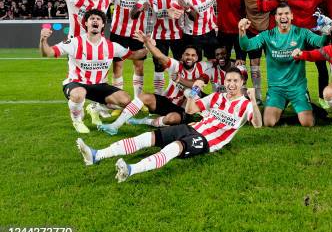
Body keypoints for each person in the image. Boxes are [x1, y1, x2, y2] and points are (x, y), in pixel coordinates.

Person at [76, 68, 262, 183]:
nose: (231, 84)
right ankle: (96, 155)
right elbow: (190, 111)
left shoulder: (245, 105)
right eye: (228, 80)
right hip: (193, 127)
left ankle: (131, 170)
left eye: (235, 81)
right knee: (150, 137)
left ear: (242, 83)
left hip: (208, 141)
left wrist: (253, 100)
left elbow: (258, 125)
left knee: (175, 147)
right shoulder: (216, 97)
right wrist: (191, 95)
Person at [39, 9, 147, 133]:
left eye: (98, 19)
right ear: (86, 24)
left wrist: (148, 45)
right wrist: (43, 40)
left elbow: (134, 55)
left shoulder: (111, 46)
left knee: (126, 100)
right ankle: (77, 119)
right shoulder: (75, 42)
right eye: (92, 19)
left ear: (102, 25)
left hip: (100, 85)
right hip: (77, 83)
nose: (95, 20)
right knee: (78, 94)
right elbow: (48, 53)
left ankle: (95, 108)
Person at [239, 3, 328, 127]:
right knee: (269, 123)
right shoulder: (267, 35)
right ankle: (283, 106)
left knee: (307, 123)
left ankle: (310, 108)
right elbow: (247, 46)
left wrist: (325, 32)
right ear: (275, 17)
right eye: (280, 14)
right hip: (276, 89)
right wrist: (242, 31)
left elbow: (319, 42)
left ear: (291, 16)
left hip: (297, 88)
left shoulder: (301, 32)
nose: (283, 16)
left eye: (286, 13)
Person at [99, 32, 207, 133]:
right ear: (182, 56)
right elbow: (160, 56)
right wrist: (146, 42)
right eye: (187, 54)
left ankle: (144, 121)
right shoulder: (176, 65)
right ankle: (115, 126)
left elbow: (198, 84)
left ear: (197, 58)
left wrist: (180, 81)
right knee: (144, 96)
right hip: (167, 102)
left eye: (193, 55)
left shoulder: (203, 68)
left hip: (184, 109)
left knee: (172, 118)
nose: (189, 57)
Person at [130, 0, 184, 95]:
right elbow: (133, 14)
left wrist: (169, 11)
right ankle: (159, 96)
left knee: (179, 66)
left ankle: (175, 94)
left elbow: (179, 12)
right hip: (159, 36)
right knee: (159, 66)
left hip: (178, 35)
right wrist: (139, 9)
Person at [105, 0, 150, 96]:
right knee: (118, 66)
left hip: (138, 33)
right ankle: (119, 100)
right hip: (118, 32)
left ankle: (138, 100)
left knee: (139, 66)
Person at [240, 0, 276, 102]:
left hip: (267, 32)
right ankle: (255, 95)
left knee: (273, 63)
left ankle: (271, 93)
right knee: (253, 63)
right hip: (251, 30)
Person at [214, 0, 247, 65]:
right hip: (223, 31)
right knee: (222, 63)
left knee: (240, 64)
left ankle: (241, 81)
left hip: (239, 31)